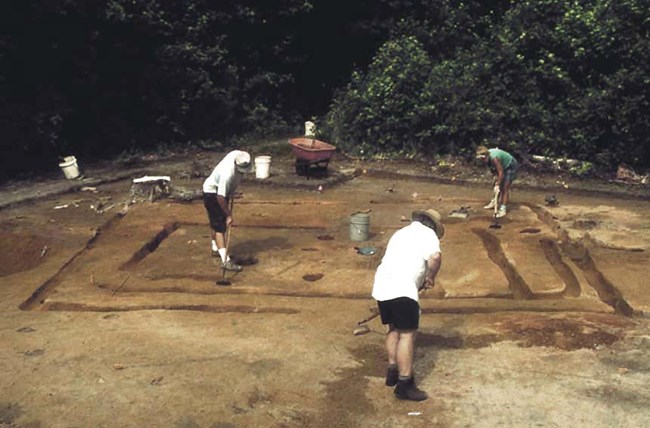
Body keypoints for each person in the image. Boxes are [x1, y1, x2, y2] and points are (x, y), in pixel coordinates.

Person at [371, 209, 444, 401]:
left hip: (382, 284)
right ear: (433, 226)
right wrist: (430, 277)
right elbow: (435, 257)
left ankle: (392, 371)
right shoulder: (427, 234)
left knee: (393, 329)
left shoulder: (400, 233)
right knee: (407, 334)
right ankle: (404, 384)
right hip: (402, 288)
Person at [202, 150, 252, 272]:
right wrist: (228, 214)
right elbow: (220, 197)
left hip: (220, 192)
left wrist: (231, 190)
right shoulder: (227, 174)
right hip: (212, 193)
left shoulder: (239, 155)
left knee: (215, 221)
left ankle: (216, 249)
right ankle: (225, 261)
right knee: (220, 227)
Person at [475, 146, 519, 218]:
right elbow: (493, 169)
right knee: (496, 184)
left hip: (510, 165)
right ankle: (494, 201)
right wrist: (496, 179)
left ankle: (503, 208)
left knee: (504, 187)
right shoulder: (486, 159)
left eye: (483, 159)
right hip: (501, 166)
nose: (482, 160)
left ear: (486, 156)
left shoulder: (494, 158)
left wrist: (498, 184)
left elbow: (501, 172)